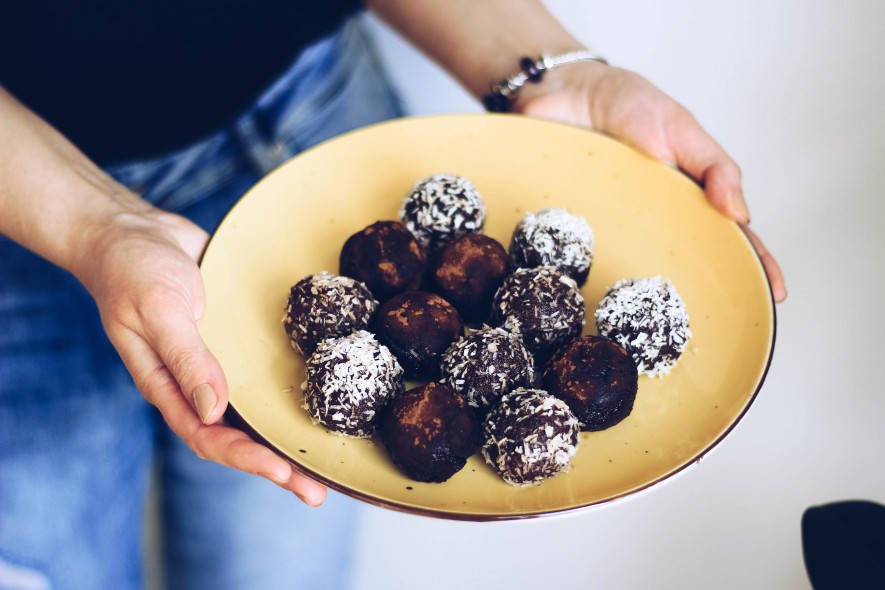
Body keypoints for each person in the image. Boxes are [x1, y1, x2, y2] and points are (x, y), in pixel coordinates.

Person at [0, 1, 786, 588]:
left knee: (278, 562)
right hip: (23, 206)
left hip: (316, 120)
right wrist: (89, 223)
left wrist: (548, 66)